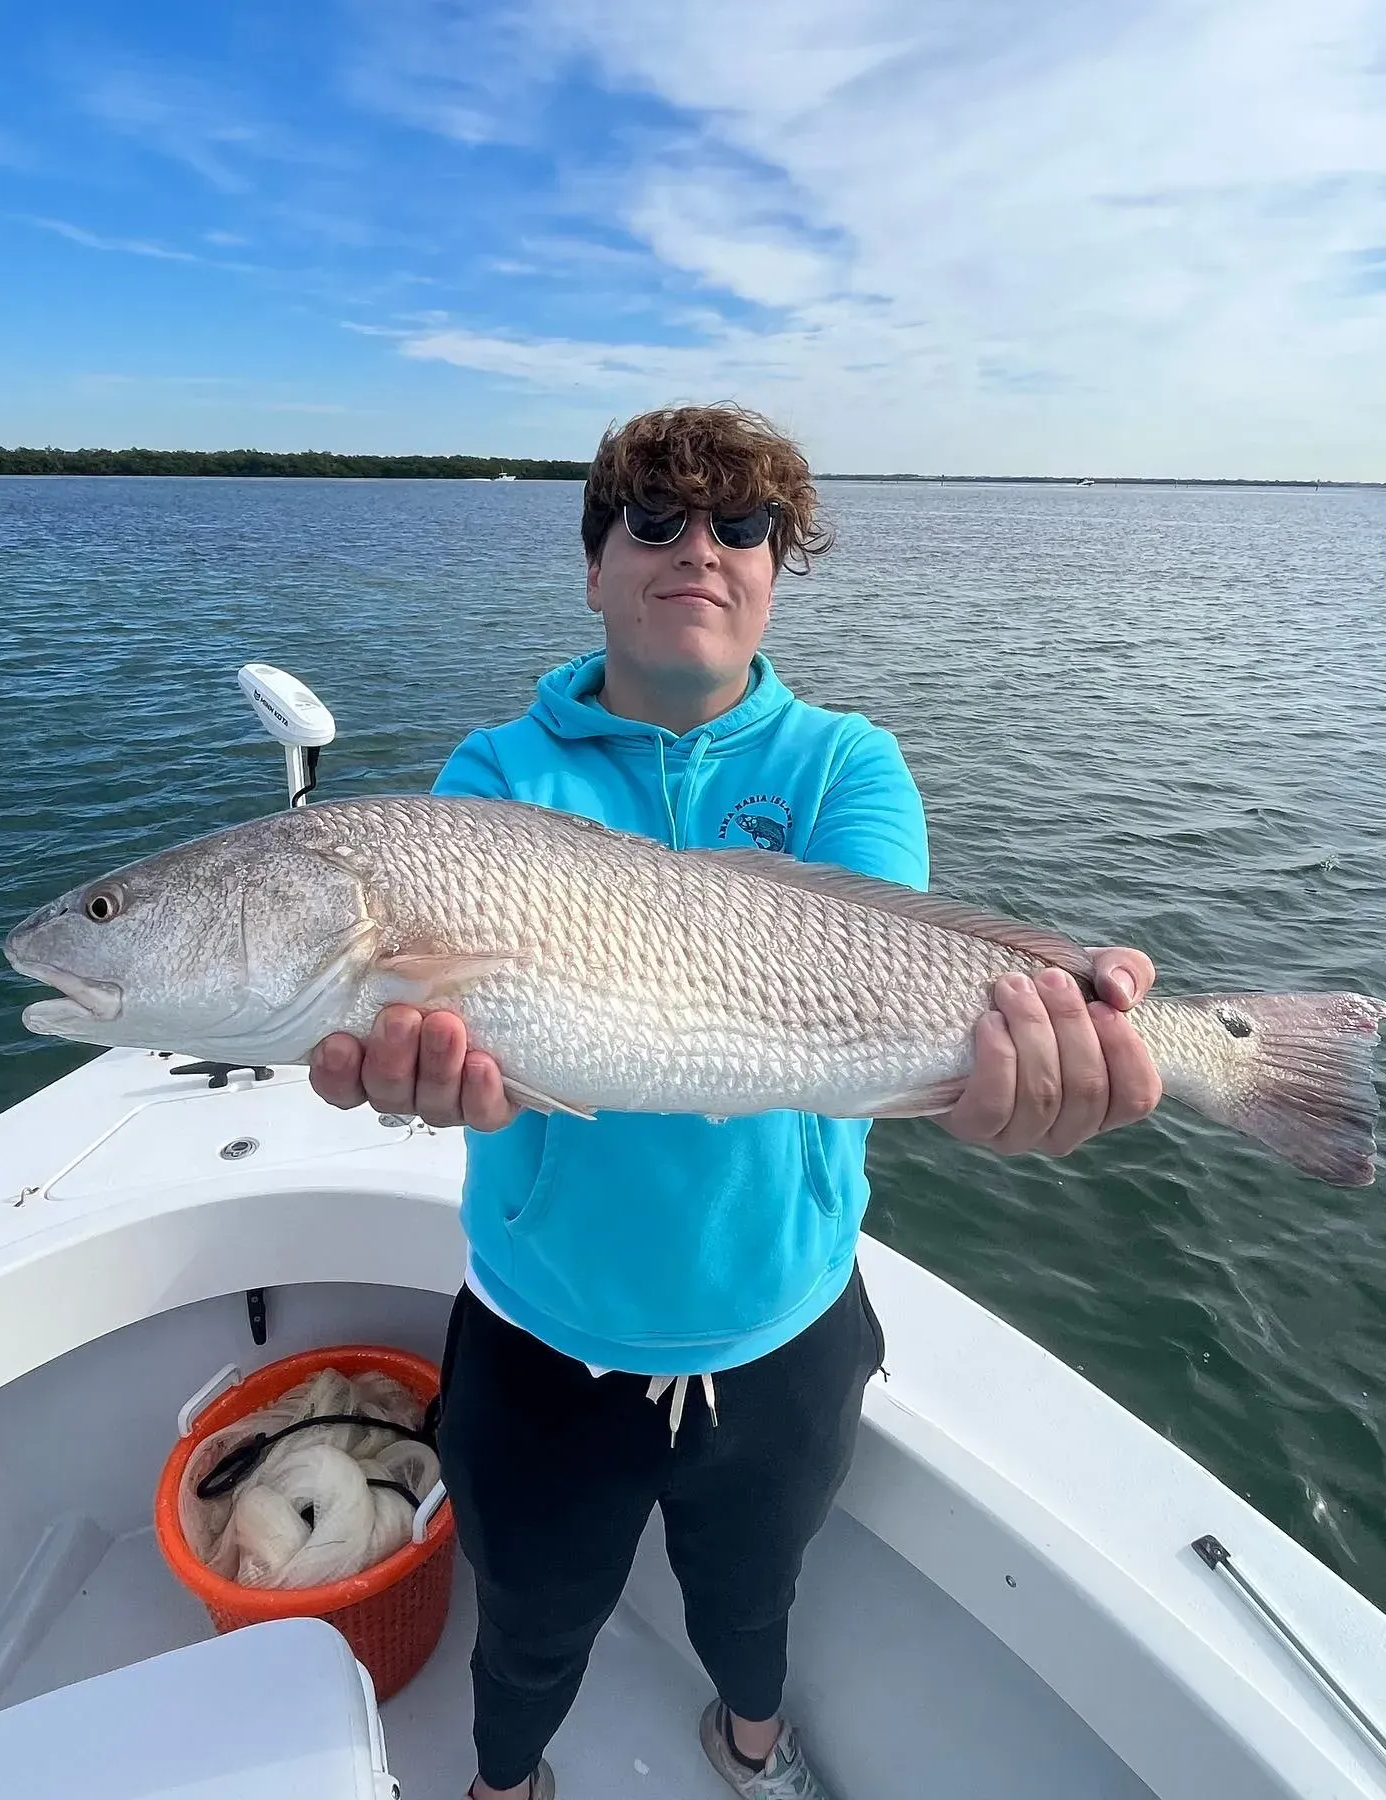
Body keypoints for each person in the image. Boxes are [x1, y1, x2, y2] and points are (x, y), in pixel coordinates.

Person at [310, 405, 1163, 1800]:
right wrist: (417, 1083)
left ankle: (753, 1750)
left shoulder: (845, 768)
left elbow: (888, 969)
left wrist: (1017, 1072)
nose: (698, 547)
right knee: (527, 1624)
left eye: (741, 525)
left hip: (788, 1336)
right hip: (541, 1339)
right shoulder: (489, 787)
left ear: (774, 571)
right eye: (653, 521)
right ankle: (503, 1783)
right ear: (594, 569)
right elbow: (440, 1040)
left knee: (751, 1610)